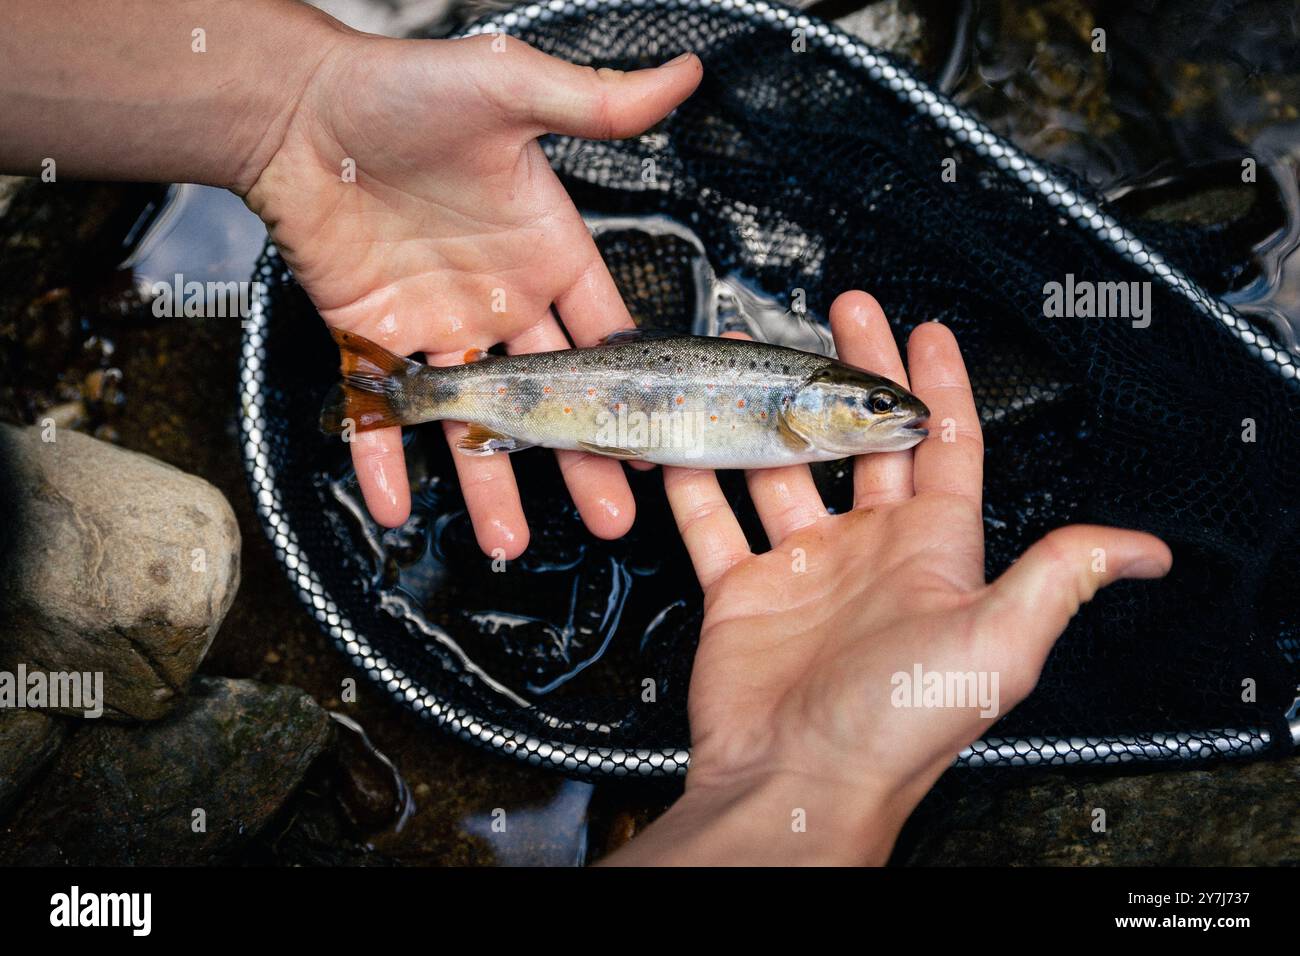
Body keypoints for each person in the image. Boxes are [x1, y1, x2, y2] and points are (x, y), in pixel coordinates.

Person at [2, 0, 1172, 865]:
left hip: (578, 393)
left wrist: (295, 107)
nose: (883, 419)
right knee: (472, 411)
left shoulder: (793, 416)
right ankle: (409, 396)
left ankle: (414, 395)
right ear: (816, 408)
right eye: (867, 406)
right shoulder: (792, 413)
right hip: (556, 392)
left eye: (874, 411)